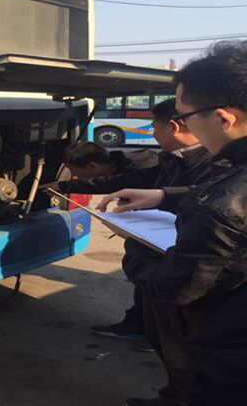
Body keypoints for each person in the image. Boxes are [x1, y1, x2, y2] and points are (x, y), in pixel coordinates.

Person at [98, 41, 247, 406]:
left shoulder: (221, 207)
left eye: (186, 116)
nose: (184, 126)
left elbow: (176, 287)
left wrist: (134, 245)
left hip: (226, 355)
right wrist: (163, 196)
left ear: (223, 119)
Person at [46, 99, 212, 348]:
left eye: (154, 127)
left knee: (171, 299)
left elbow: (204, 199)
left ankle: (161, 337)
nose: (152, 134)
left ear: (174, 127)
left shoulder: (214, 163)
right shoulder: (171, 158)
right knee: (147, 289)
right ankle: (140, 327)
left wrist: (161, 198)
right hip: (154, 244)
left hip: (179, 247)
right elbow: (130, 182)